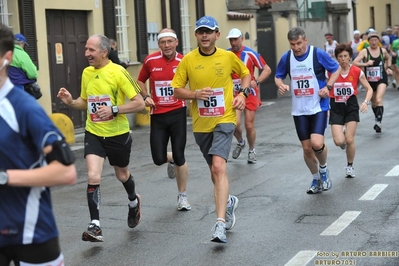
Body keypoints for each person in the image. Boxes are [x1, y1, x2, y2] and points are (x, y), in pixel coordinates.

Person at [0, 23, 77, 266]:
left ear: (7, 58)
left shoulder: (24, 108)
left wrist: (4, 177)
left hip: (31, 233)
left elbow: (66, 172)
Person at [57, 34, 145, 243]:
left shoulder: (119, 72)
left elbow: (139, 103)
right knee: (93, 176)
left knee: (122, 175)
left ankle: (134, 201)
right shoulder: (87, 73)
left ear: (104, 52)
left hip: (117, 134)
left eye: (91, 50)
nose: (86, 54)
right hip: (94, 132)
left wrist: (114, 109)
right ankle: (95, 225)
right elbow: (84, 102)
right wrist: (71, 101)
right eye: (86, 49)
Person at [172, 16, 251, 243]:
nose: (204, 36)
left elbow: (245, 74)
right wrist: (195, 94)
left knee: (218, 167)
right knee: (214, 172)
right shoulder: (188, 60)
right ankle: (228, 202)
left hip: (225, 119)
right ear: (196, 35)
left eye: (209, 32)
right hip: (201, 123)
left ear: (217, 34)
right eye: (200, 32)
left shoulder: (227, 57)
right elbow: (176, 90)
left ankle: (219, 224)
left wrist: (242, 94)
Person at [274, 26, 341, 194]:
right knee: (306, 148)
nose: (296, 48)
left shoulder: (317, 54)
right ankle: (316, 178)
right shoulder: (287, 57)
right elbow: (278, 75)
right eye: (292, 44)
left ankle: (324, 170)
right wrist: (280, 84)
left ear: (305, 40)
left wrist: (329, 86)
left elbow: (336, 69)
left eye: (298, 43)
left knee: (317, 143)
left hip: (318, 105)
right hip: (299, 109)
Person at [137, 28, 191, 211]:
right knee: (158, 158)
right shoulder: (151, 61)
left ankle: (182, 196)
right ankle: (170, 159)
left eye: (170, 41)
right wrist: (145, 97)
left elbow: (195, 81)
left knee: (180, 154)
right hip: (158, 115)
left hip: (177, 113)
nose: (166, 45)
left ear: (176, 42)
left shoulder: (184, 61)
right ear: (158, 44)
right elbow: (139, 81)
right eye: (163, 42)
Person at [226, 28, 272, 163]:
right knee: (234, 124)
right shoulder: (226, 54)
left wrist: (256, 81)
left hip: (249, 92)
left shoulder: (250, 54)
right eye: (231, 40)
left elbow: (267, 69)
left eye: (235, 39)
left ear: (242, 39)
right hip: (234, 92)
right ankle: (240, 142)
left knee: (249, 125)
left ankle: (252, 150)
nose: (233, 42)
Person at [327, 43, 373, 178]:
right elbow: (324, 87)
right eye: (340, 56)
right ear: (337, 58)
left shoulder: (357, 71)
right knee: (339, 141)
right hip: (336, 106)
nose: (342, 59)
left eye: (345, 56)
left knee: (350, 139)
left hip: (351, 105)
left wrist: (365, 102)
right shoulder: (330, 72)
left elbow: (369, 89)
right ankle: (344, 142)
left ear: (350, 57)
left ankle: (350, 166)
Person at [353, 32, 393, 133]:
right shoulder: (365, 51)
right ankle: (377, 118)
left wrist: (388, 67)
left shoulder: (382, 51)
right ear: (369, 41)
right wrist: (366, 63)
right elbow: (354, 62)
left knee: (379, 99)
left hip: (381, 79)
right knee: (374, 102)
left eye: (375, 40)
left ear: (378, 41)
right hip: (370, 80)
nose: (374, 42)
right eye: (372, 40)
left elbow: (388, 58)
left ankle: (378, 122)